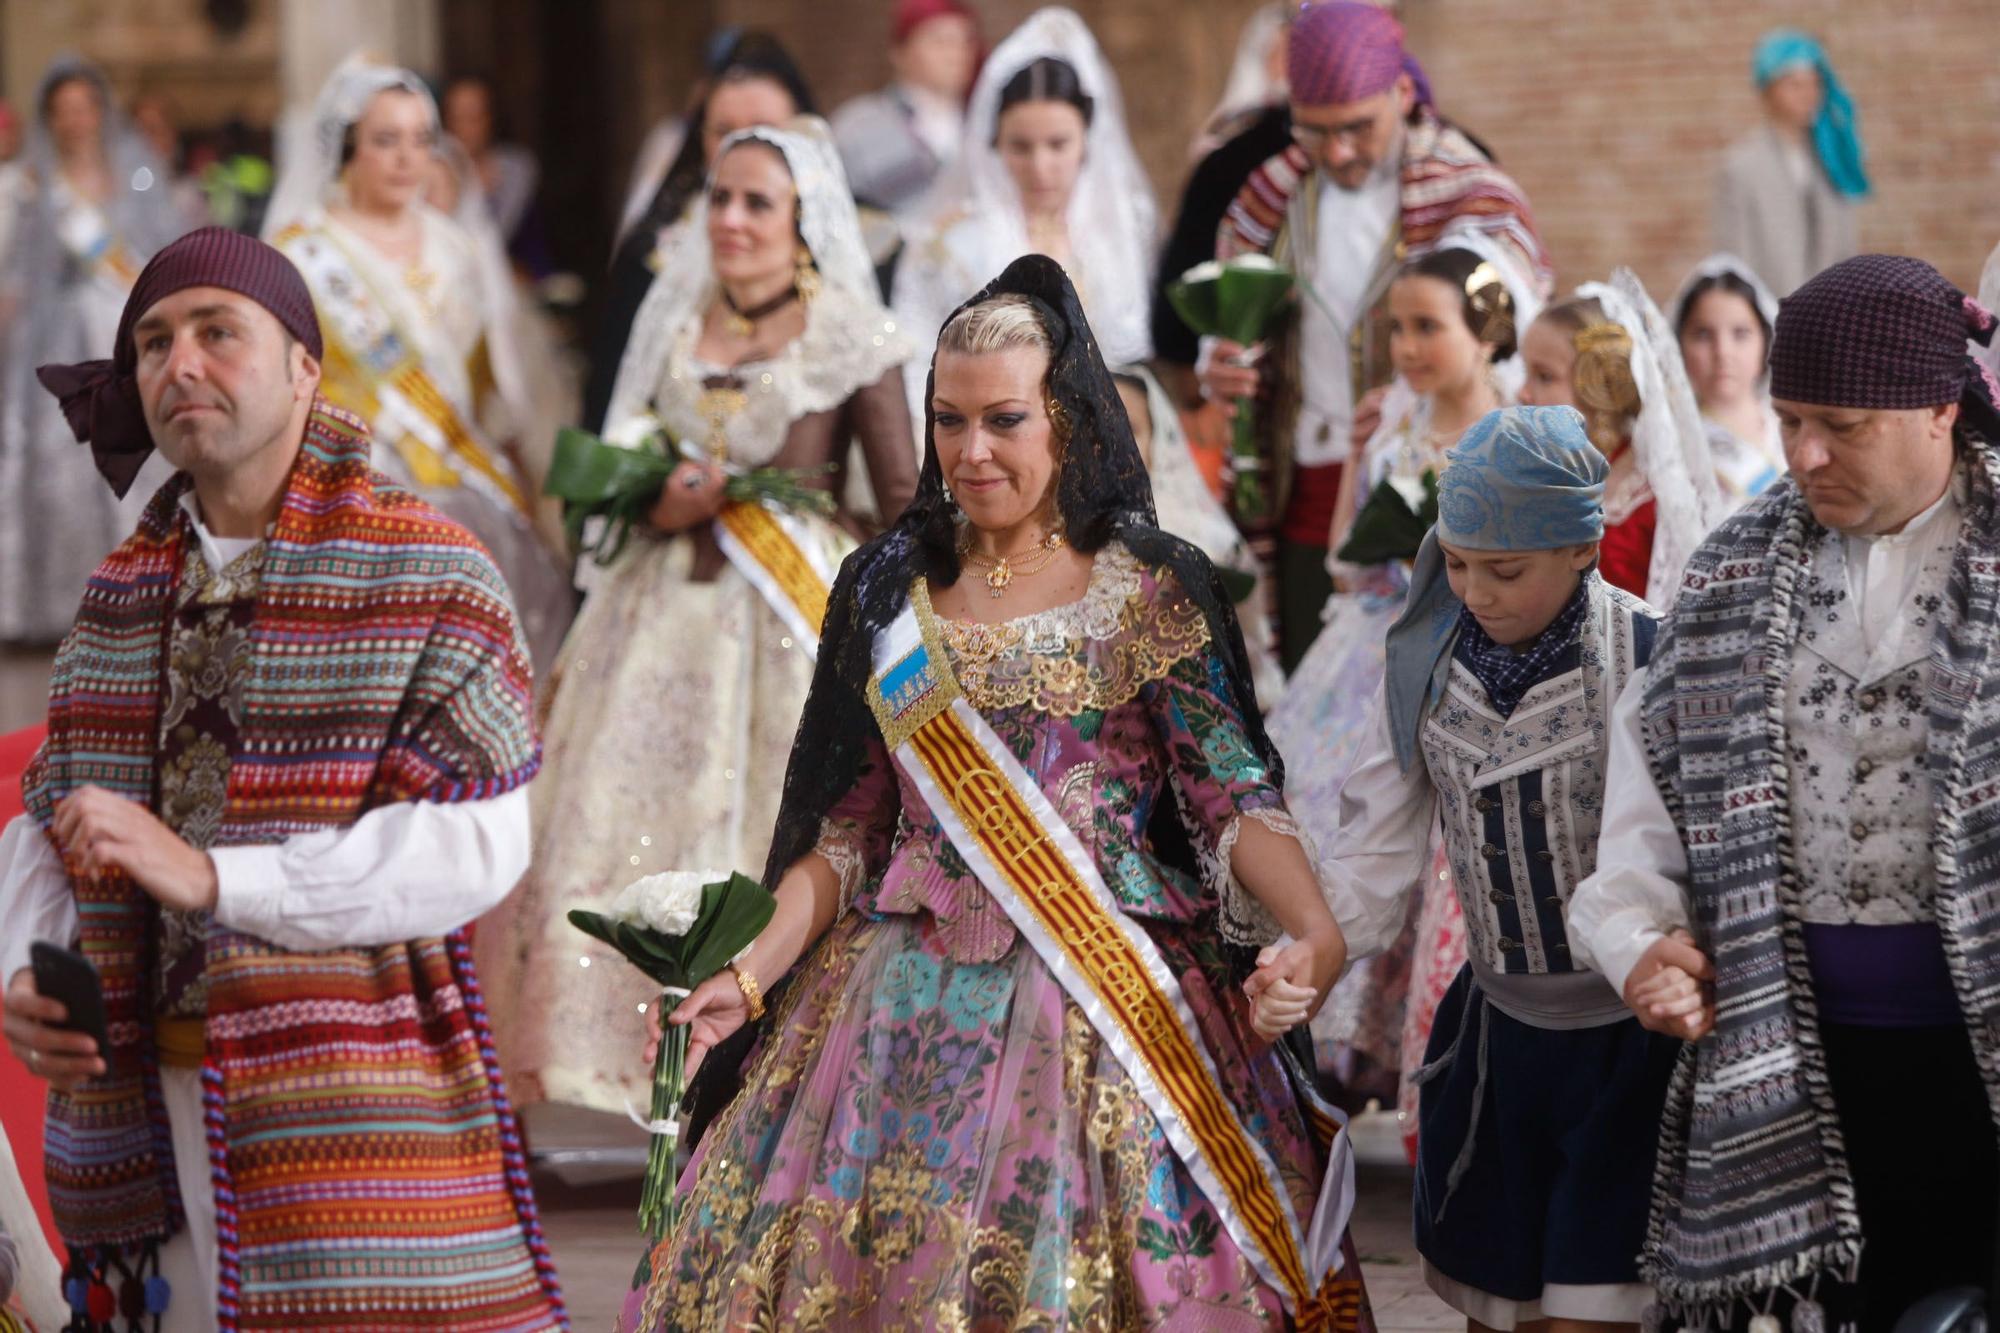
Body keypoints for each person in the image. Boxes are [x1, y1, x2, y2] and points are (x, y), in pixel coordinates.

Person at [614, 251, 1371, 1332]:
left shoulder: (1150, 585)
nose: (970, 453)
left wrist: (1313, 933)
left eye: (1004, 420)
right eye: (947, 421)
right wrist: (749, 969)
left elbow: (1229, 793)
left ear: (1067, 419)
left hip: (1107, 1000)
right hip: (889, 1007)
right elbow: (847, 833)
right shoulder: (889, 588)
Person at [0, 226, 566, 1329]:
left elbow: (476, 848)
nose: (182, 364)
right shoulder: (116, 595)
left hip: (350, 1103)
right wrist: (28, 971)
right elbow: (42, 825)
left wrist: (219, 880)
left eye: (220, 332)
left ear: (306, 365)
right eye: (154, 342)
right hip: (142, 1118)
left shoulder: (430, 570)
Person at [1568, 253, 2000, 1331]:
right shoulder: (1725, 579)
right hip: (1792, 1071)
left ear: (1937, 409)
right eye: (1788, 418)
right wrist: (1640, 946)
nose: (1801, 454)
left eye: (1841, 425)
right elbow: (1640, 824)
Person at [479, 119, 919, 1132]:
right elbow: (619, 457)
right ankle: (638, 1072)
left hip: (785, 626)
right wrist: (655, 497)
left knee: (775, 824)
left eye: (757, 201)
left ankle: (764, 1063)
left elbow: (900, 505)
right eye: (719, 198)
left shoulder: (850, 332)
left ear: (803, 221)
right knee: (620, 816)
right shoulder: (676, 319)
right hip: (655, 621)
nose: (731, 219)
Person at [1318, 405, 1677, 1328]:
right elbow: (1375, 850)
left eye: (1505, 569)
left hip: (1627, 1051)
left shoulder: (1645, 657)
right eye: (1461, 561)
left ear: (1581, 550)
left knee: (1588, 1314)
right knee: (1497, 1311)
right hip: (1496, 1044)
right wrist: (1305, 950)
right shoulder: (1429, 667)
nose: (1474, 590)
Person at [1271, 237, 1538, 1110]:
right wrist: (1380, 540)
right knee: (1323, 809)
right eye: (1397, 328)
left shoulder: (1513, 421)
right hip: (1370, 641)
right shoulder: (1386, 413)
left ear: (1487, 329)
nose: (1408, 347)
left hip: (1466, 646)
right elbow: (1346, 549)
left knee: (1430, 853)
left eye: (1428, 326)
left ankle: (1426, 1051)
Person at [1203, 1, 1551, 669]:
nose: (1338, 151)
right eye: (1314, 131)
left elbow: (1511, 340)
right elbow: (1229, 301)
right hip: (1297, 488)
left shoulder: (1469, 188)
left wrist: (1411, 405)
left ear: (1399, 93)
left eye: (1358, 128)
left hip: (1432, 484)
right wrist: (1220, 357)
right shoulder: (1269, 195)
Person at [263, 55, 575, 667]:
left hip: (460, 481)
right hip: (352, 490)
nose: (408, 159)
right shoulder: (301, 255)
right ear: (349, 147)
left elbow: (482, 384)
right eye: (386, 140)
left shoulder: (455, 247)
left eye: (421, 140)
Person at [0, 57, 191, 645]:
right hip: (61, 337)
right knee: (61, 467)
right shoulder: (36, 185)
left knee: (141, 459)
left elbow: (163, 250)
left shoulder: (137, 172)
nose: (76, 120)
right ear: (51, 118)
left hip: (131, 334)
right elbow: (23, 273)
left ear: (100, 112)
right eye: (64, 110)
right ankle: (66, 601)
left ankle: (145, 594)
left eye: (85, 107)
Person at [892, 5, 1158, 426]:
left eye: (1058, 144)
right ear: (994, 142)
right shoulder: (950, 241)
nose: (1040, 166)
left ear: (1088, 140)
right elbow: (915, 362)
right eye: (1021, 146)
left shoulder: (1123, 229)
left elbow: (1132, 360)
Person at [589, 31, 814, 430]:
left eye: (764, 129)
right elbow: (608, 407)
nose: (743, 146)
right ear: (700, 138)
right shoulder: (652, 253)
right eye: (724, 131)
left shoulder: (861, 243)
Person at [1516, 272, 1721, 607]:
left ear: (1602, 383)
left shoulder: (1653, 498)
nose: (1522, 392)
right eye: (1526, 373)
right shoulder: (1533, 473)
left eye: (1544, 376)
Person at [1113, 363, 1284, 707]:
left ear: (1157, 437)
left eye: (1129, 429)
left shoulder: (1204, 540)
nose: (1114, 445)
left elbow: (1248, 646)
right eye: (1097, 428)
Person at [1713, 28, 1868, 298]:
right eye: (1794, 84)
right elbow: (1735, 261)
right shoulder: (1742, 167)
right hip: (1771, 317)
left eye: (1814, 83)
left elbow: (1845, 248)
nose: (1807, 94)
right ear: (1768, 90)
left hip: (1829, 315)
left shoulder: (1834, 161)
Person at [830, 0, 981, 225]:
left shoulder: (985, 124)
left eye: (964, 42)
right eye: (940, 42)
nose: (955, 55)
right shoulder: (857, 126)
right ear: (899, 51)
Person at [1671, 253, 1785, 506]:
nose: (1723, 352)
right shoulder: (1667, 444)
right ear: (1679, 343)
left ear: (1765, 340)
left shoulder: (1792, 427)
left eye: (1740, 333)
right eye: (1703, 335)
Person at [441, 72, 553, 276]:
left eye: (474, 117)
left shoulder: (516, 171)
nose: (465, 128)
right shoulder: (435, 176)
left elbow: (534, 245)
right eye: (457, 117)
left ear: (490, 118)